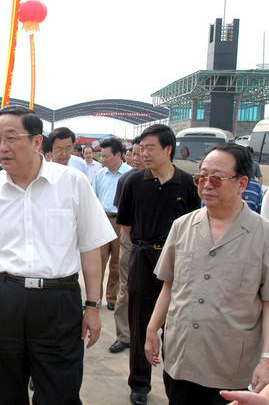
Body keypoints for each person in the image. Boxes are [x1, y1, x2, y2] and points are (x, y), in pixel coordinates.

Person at [0, 105, 117, 405]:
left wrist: (92, 304)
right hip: (3, 300)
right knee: (5, 391)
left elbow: (91, 246)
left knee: (59, 393)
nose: (1, 148)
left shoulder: (72, 183)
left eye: (11, 138)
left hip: (58, 301)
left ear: (37, 142)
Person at [145, 143, 269, 404]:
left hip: (231, 369)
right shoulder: (182, 226)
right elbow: (169, 285)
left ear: (242, 183)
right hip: (181, 358)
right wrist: (152, 328)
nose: (207, 184)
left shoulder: (264, 235)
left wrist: (267, 359)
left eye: (217, 178)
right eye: (202, 177)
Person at [116, 124, 201, 405]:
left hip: (179, 260)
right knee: (140, 321)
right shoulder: (133, 182)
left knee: (177, 322)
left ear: (168, 149)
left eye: (150, 147)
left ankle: (175, 379)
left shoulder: (187, 184)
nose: (143, 153)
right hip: (143, 256)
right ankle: (139, 383)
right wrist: (147, 247)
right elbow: (125, 224)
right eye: (141, 148)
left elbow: (195, 224)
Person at [109, 137, 144, 354]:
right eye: (136, 153)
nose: (139, 158)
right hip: (132, 240)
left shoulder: (182, 181)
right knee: (127, 288)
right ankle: (124, 335)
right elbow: (123, 216)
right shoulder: (128, 180)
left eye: (144, 152)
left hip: (165, 244)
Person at [93, 137, 131, 311]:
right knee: (98, 261)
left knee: (116, 262)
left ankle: (112, 296)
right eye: (102, 156)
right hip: (102, 220)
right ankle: (96, 297)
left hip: (120, 221)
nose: (103, 159)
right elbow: (95, 198)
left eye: (106, 156)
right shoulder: (100, 174)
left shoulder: (129, 175)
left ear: (118, 155)